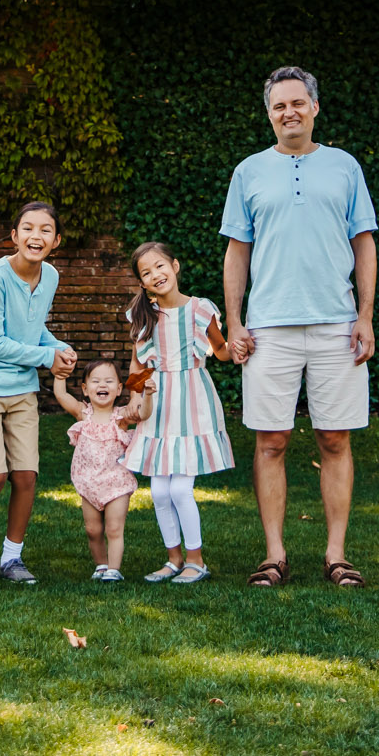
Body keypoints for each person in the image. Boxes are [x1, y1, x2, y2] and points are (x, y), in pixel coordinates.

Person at [221, 66, 378, 589]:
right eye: (278, 106)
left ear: (314, 108)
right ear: (269, 115)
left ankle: (336, 555)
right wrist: (236, 320)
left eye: (297, 103)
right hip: (268, 329)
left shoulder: (344, 166)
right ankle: (275, 556)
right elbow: (237, 250)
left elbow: (364, 243)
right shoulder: (248, 171)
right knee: (272, 441)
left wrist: (365, 315)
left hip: (337, 325)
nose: (289, 112)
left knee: (334, 439)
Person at [0, 201, 77, 587]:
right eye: (27, 228)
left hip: (21, 386)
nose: (34, 236)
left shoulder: (51, 276)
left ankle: (12, 559)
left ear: (56, 241)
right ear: (14, 236)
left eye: (44, 230)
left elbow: (31, 328)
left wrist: (58, 346)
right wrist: (46, 356)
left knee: (25, 476)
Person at [119, 241, 234, 585]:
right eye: (146, 273)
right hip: (158, 407)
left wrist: (241, 345)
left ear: (175, 265)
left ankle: (196, 561)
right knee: (158, 492)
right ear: (141, 283)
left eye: (160, 266)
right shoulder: (143, 317)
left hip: (193, 404)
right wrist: (136, 395)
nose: (156, 275)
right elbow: (137, 365)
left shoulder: (200, 309)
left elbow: (222, 351)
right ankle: (173, 559)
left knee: (181, 490)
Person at [50, 358, 152, 582]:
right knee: (92, 530)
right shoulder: (83, 414)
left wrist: (148, 396)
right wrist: (60, 376)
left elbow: (143, 414)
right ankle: (101, 565)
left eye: (108, 381)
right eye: (95, 381)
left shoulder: (121, 417)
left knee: (114, 528)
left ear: (118, 389)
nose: (102, 385)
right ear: (85, 390)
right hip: (89, 482)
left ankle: (114, 570)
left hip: (116, 483)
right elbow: (62, 396)